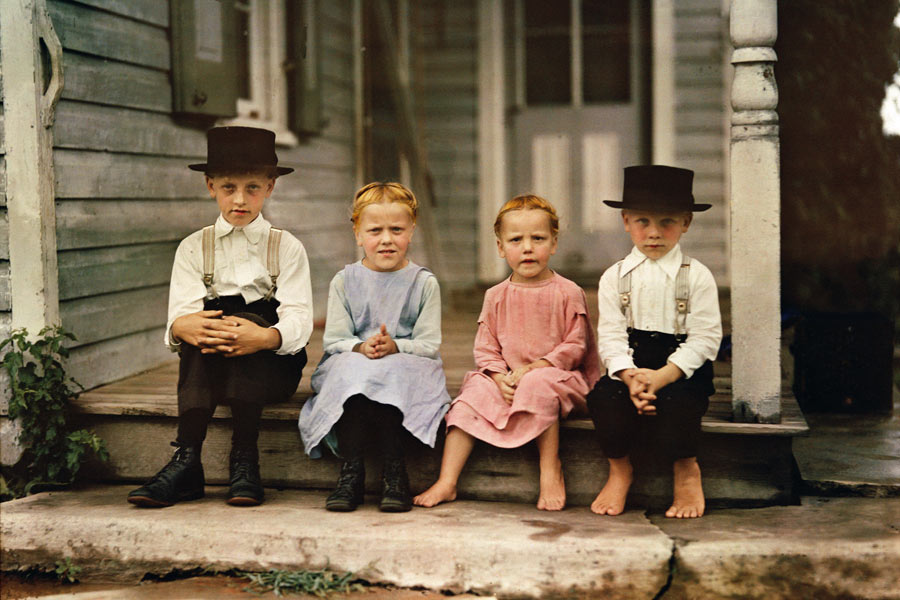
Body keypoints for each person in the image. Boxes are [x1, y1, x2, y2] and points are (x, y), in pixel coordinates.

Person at [127, 126, 312, 508]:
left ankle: (245, 457)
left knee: (249, 317)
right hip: (210, 363)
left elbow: (299, 319)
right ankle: (187, 460)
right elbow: (179, 317)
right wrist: (184, 326)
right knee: (203, 327)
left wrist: (265, 337)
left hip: (271, 366)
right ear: (211, 186)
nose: (240, 200)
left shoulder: (286, 247)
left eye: (253, 188)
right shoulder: (195, 247)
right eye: (229, 187)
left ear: (270, 186)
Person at [414, 195, 600, 511]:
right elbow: (486, 347)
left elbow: (576, 345)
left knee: (538, 383)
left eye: (538, 238)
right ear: (501, 248)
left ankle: (549, 468)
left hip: (563, 380)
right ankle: (447, 481)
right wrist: (498, 377)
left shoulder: (568, 292)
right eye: (516, 240)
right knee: (472, 391)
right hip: (509, 380)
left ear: (554, 243)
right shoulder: (496, 296)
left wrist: (537, 366)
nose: (527, 247)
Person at [298, 182, 450, 513]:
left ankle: (395, 472)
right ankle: (351, 470)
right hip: (354, 359)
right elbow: (335, 339)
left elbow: (428, 344)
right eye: (375, 230)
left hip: (407, 362)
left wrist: (395, 346)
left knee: (389, 374)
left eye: (396, 229)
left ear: (411, 232)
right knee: (355, 373)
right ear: (357, 233)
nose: (386, 239)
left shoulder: (423, 283)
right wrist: (360, 346)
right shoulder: (345, 280)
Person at [587, 165, 722, 519]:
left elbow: (707, 338)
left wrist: (662, 377)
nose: (654, 233)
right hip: (632, 367)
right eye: (643, 221)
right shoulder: (614, 277)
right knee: (604, 399)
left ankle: (686, 469)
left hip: (680, 369)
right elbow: (612, 336)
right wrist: (629, 377)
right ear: (626, 220)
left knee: (679, 403)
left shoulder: (696, 276)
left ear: (686, 223)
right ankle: (620, 469)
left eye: (667, 222)